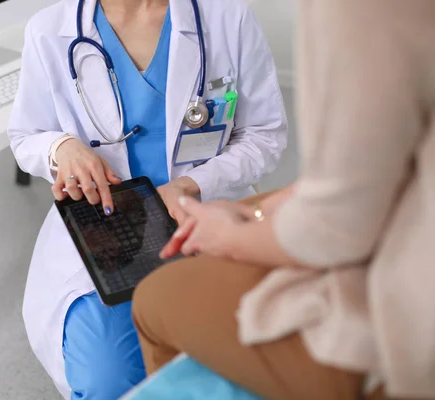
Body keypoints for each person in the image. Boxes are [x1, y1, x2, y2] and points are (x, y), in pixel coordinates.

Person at [132, 0, 435, 399]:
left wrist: (228, 233)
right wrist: (255, 211)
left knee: (154, 299)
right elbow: (388, 160)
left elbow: (336, 228)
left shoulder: (346, 10)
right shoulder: (51, 30)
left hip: (415, 314)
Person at [7, 0, 288, 398]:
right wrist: (60, 147)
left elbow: (264, 134)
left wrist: (193, 185)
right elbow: (25, 136)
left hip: (206, 216)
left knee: (243, 361)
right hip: (109, 230)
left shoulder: (226, 16)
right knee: (107, 382)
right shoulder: (49, 30)